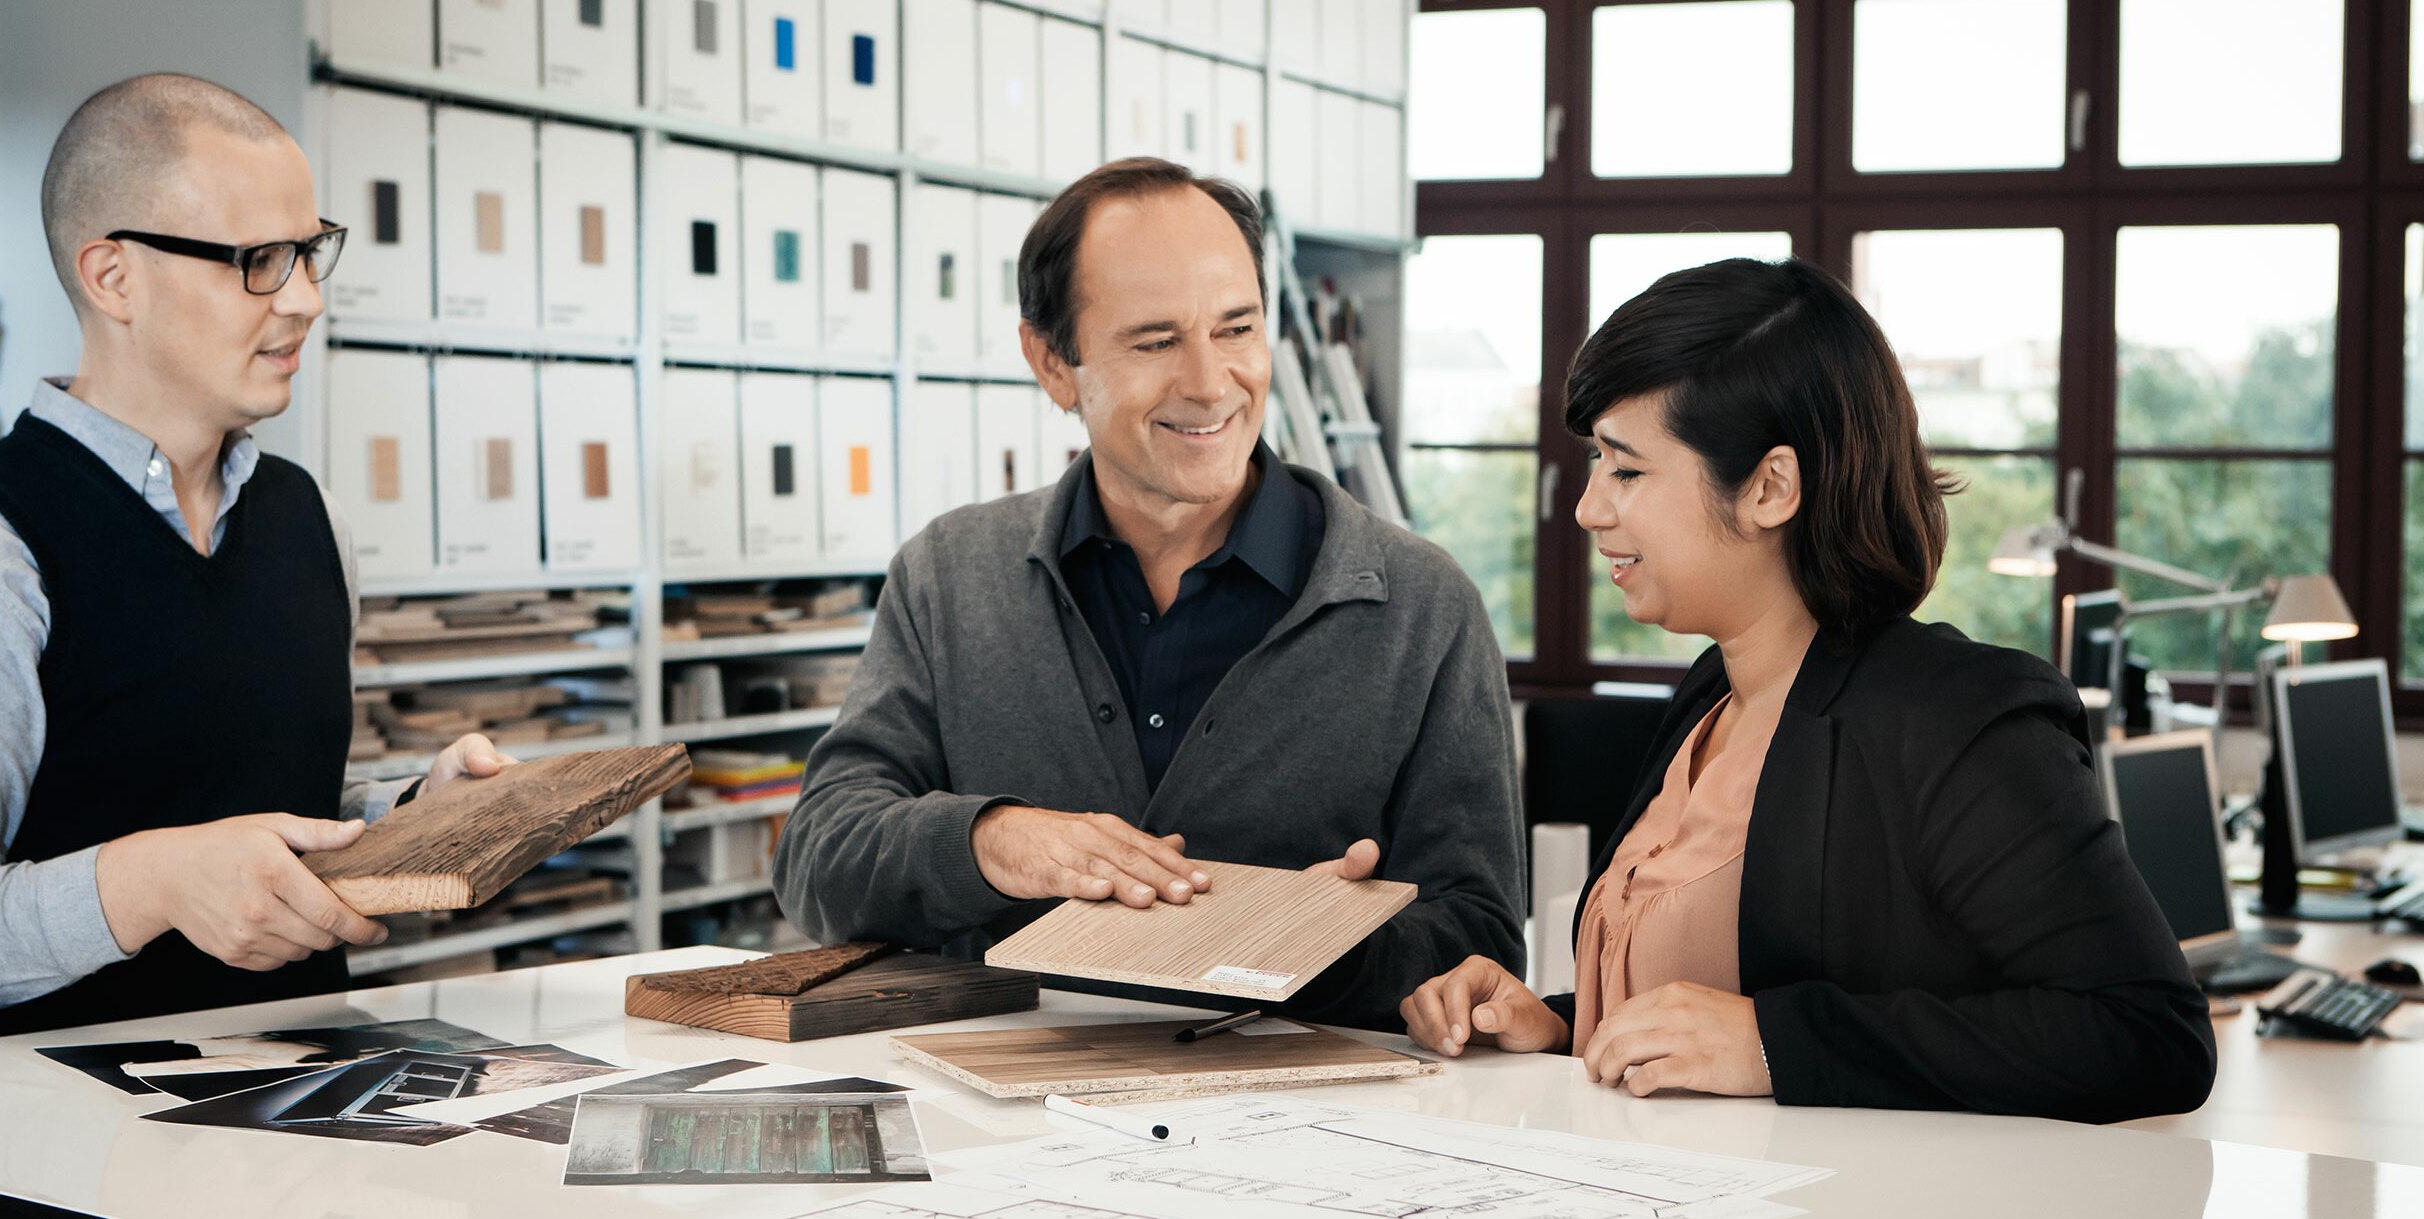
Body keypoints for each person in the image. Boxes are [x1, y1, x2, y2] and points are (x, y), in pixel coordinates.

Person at [1399, 257, 2216, 1122]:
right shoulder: (1712, 696)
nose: (1588, 507)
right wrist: (1560, 1027)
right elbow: (1714, 1009)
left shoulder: (1958, 717)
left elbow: (2150, 1031)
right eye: (1596, 460)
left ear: (1770, 487)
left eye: (1626, 470)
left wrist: (1772, 1043)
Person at [770, 158, 1523, 1029]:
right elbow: (818, 855)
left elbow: (1485, 946)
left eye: (1236, 328)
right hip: (995, 1102)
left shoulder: (1421, 606)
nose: (1209, 382)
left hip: (1292, 1107)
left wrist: (1328, 946)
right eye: (1156, 342)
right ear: (1053, 364)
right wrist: (991, 840)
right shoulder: (949, 575)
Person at [0, 74, 509, 1039]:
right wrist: (150, 884)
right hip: (52, 1126)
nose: (306, 300)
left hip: (309, 1095)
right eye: (259, 261)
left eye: (309, 252)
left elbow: (254, 803)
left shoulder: (307, 517)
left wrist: (417, 815)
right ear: (112, 277)